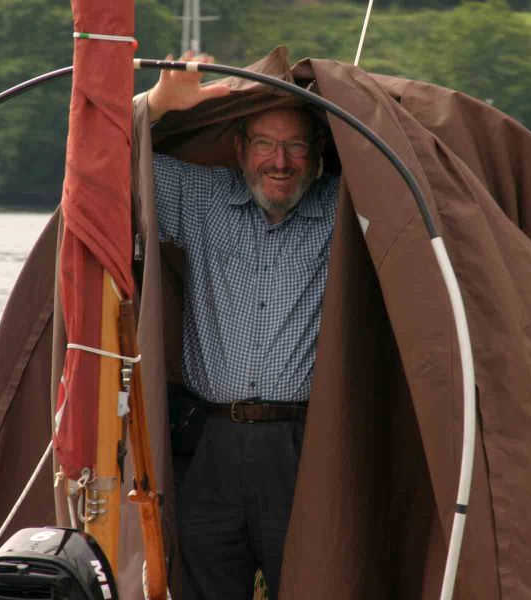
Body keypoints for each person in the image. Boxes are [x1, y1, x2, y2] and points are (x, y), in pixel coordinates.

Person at [142, 51, 340, 600]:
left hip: (305, 449)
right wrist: (156, 105)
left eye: (295, 146)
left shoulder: (346, 210)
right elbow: (96, 163)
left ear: (318, 156)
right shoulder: (201, 199)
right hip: (210, 447)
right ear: (238, 150)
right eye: (264, 144)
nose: (280, 161)